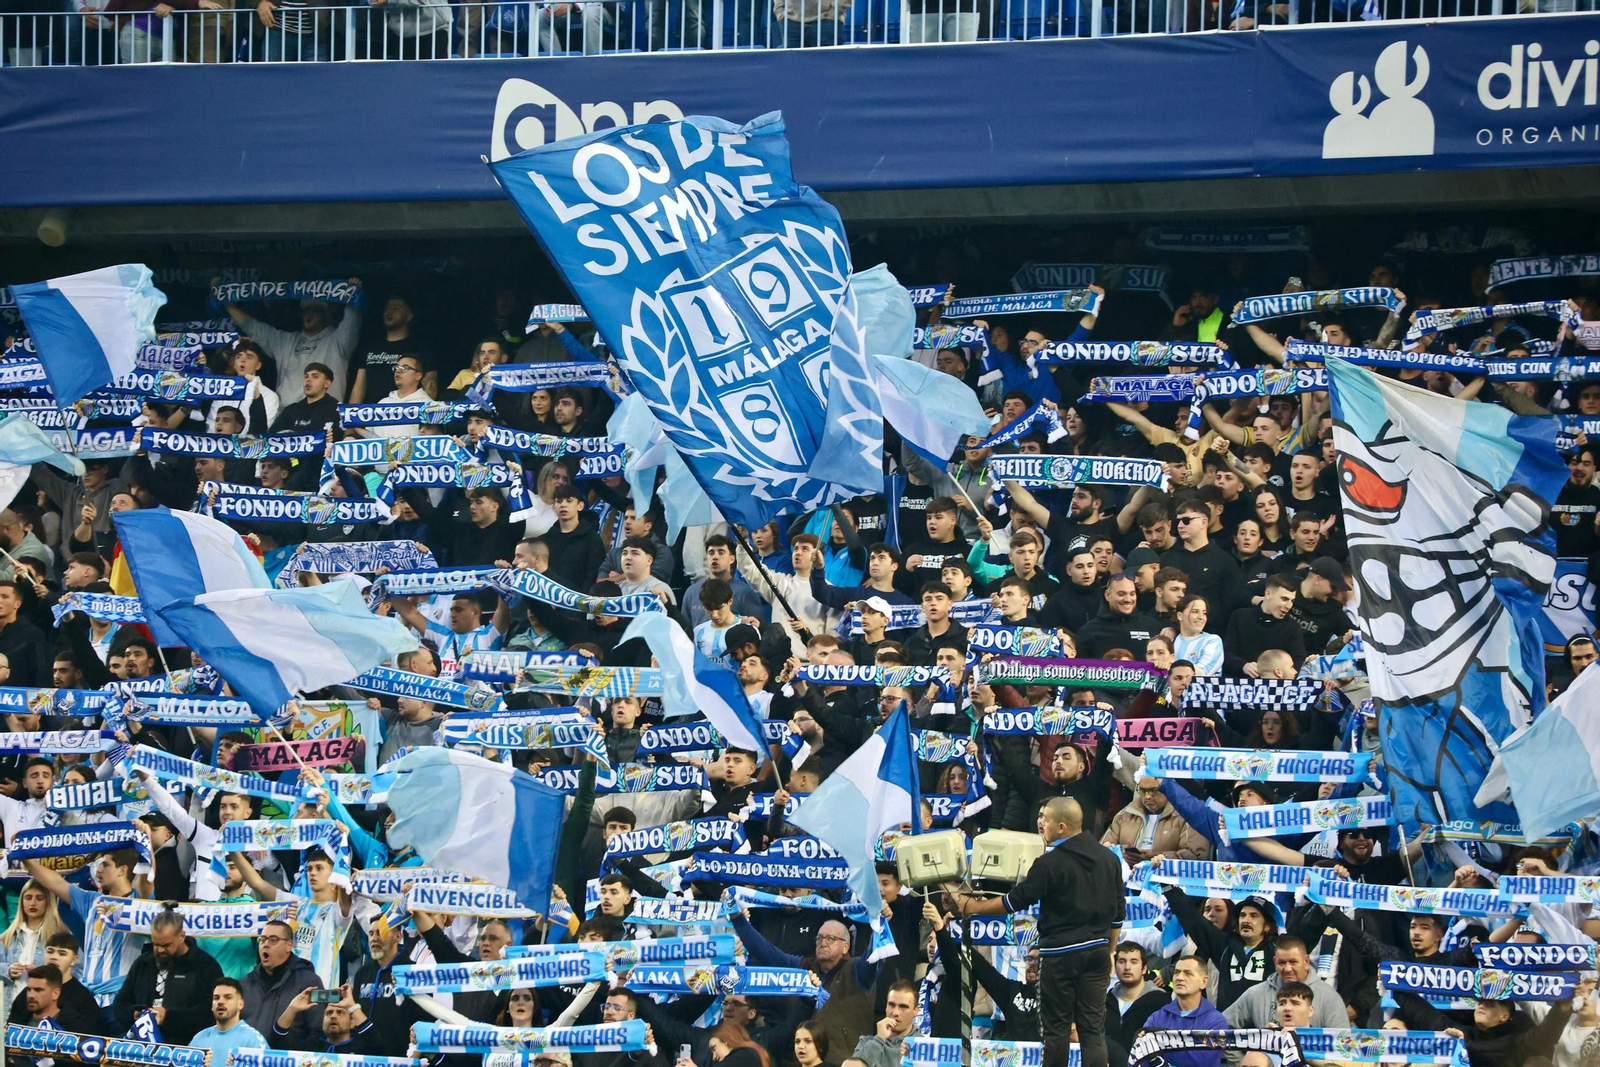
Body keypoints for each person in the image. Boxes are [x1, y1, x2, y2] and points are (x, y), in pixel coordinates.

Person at [951, 796, 1123, 1067]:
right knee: (1092, 1030)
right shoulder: (1109, 859)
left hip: (1059, 956)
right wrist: (1110, 951)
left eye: (1046, 819)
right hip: (1098, 952)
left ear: (1062, 827)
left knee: (1056, 1031)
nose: (1040, 823)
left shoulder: (1050, 862)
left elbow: (1013, 901)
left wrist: (973, 906)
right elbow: (1118, 916)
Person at [111, 904, 224, 1044]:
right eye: (155, 944)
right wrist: (134, 1014)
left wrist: (169, 1018)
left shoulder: (205, 966)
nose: (159, 950)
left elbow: (210, 1013)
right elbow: (120, 1004)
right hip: (142, 1047)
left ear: (182, 936)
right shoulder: (143, 963)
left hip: (186, 1047)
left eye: (166, 945)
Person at [1138, 955, 1230, 1067]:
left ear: (1204, 982)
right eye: (1176, 972)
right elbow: (1142, 1057)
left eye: (1188, 973)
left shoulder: (1216, 1022)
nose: (1179, 977)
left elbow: (1203, 1062)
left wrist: (1159, 1046)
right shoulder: (1157, 1016)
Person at [190, 977, 271, 1056]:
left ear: (240, 1004)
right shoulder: (199, 1039)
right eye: (216, 998)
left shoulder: (253, 1040)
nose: (220, 1002)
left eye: (228, 997)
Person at [848, 980, 918, 1067]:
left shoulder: (927, 1047)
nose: (895, 1012)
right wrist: (879, 1039)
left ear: (915, 1011)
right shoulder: (866, 1043)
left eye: (903, 1007)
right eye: (891, 1005)